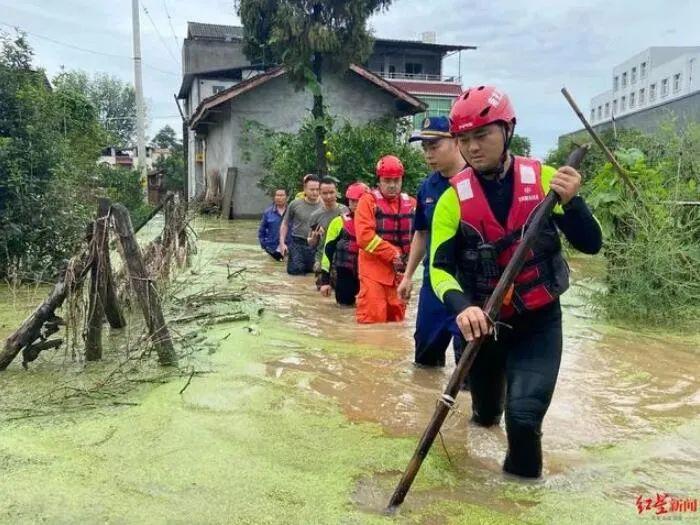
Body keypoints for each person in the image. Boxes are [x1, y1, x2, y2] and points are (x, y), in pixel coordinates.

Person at [429, 85, 602, 479]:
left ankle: (520, 503)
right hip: (483, 328)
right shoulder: (451, 200)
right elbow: (439, 270)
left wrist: (573, 203)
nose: (472, 147)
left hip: (538, 322)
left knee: (523, 420)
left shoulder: (544, 179)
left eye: (482, 135)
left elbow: (591, 245)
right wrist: (463, 307)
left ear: (507, 130)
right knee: (486, 415)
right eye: (464, 139)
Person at [397, 116, 467, 368]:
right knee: (424, 362)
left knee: (470, 366)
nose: (428, 154)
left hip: (468, 285)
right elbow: (421, 233)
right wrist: (407, 276)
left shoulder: (477, 180)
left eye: (434, 146)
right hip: (433, 283)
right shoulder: (428, 187)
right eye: (425, 148)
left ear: (457, 141)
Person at [355, 155, 416, 324]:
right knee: (372, 319)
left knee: (398, 322)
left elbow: (421, 235)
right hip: (373, 272)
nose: (392, 185)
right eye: (387, 180)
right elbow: (364, 237)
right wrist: (394, 254)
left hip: (400, 274)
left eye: (396, 180)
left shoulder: (411, 203)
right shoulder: (367, 202)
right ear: (379, 180)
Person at [319, 182, 368, 306]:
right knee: (343, 312)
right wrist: (325, 281)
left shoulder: (375, 222)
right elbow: (327, 252)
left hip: (367, 276)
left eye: (358, 201)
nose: (355, 204)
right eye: (352, 201)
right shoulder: (338, 222)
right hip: (345, 276)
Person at [308, 176, 349, 285]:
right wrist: (313, 238)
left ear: (337, 192)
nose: (328, 196)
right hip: (322, 259)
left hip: (342, 259)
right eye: (325, 193)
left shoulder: (345, 211)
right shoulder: (315, 216)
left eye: (331, 192)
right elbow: (311, 244)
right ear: (320, 194)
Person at [278, 174, 322, 275]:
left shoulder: (325, 205)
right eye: (312, 189)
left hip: (318, 245)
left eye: (317, 189)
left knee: (317, 275)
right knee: (295, 274)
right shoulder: (295, 204)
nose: (315, 192)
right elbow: (285, 223)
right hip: (298, 243)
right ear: (305, 189)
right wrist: (282, 243)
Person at [257, 188, 289, 261]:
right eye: (277, 195)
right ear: (274, 197)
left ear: (287, 197)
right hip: (271, 249)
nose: (279, 198)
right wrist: (264, 245)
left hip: (288, 249)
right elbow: (261, 231)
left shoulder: (291, 212)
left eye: (281, 195)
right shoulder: (268, 213)